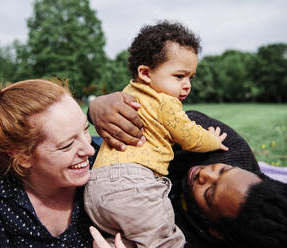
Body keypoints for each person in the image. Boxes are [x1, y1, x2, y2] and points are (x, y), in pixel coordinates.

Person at [89, 93, 287, 248]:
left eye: (210, 193)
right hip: (120, 149)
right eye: (223, 170)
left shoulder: (188, 239)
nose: (204, 174)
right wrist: (97, 108)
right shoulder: (228, 149)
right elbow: (152, 110)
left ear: (216, 232)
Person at [84, 21, 227, 247]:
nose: (187, 85)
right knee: (167, 241)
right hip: (134, 185)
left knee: (132, 239)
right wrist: (213, 140)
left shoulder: (126, 94)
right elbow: (188, 135)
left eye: (191, 77)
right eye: (179, 76)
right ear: (146, 73)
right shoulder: (165, 102)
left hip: (95, 190)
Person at [0, 79, 98, 247]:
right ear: (22, 156)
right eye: (67, 145)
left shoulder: (104, 168)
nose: (89, 150)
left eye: (85, 130)